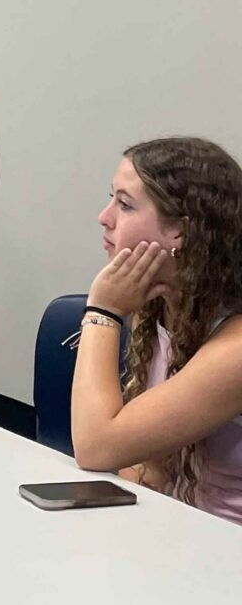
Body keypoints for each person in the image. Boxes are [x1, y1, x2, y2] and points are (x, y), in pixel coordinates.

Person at [72, 137, 242, 525]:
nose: (104, 217)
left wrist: (103, 311)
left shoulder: (236, 346)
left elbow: (96, 446)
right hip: (183, 528)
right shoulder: (163, 308)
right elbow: (146, 465)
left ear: (180, 231)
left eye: (125, 204)